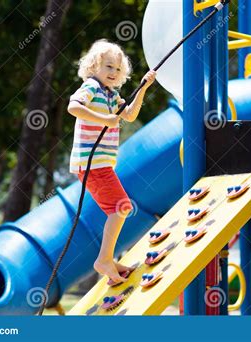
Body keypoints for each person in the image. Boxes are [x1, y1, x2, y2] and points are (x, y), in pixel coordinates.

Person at [67, 39, 156, 283]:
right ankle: (104, 259)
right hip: (91, 162)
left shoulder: (112, 94)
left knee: (119, 210)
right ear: (94, 66)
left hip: (101, 164)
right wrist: (103, 119)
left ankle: (107, 258)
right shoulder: (91, 87)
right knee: (122, 207)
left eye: (117, 69)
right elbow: (73, 107)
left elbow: (128, 115)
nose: (113, 73)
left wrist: (143, 89)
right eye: (108, 67)